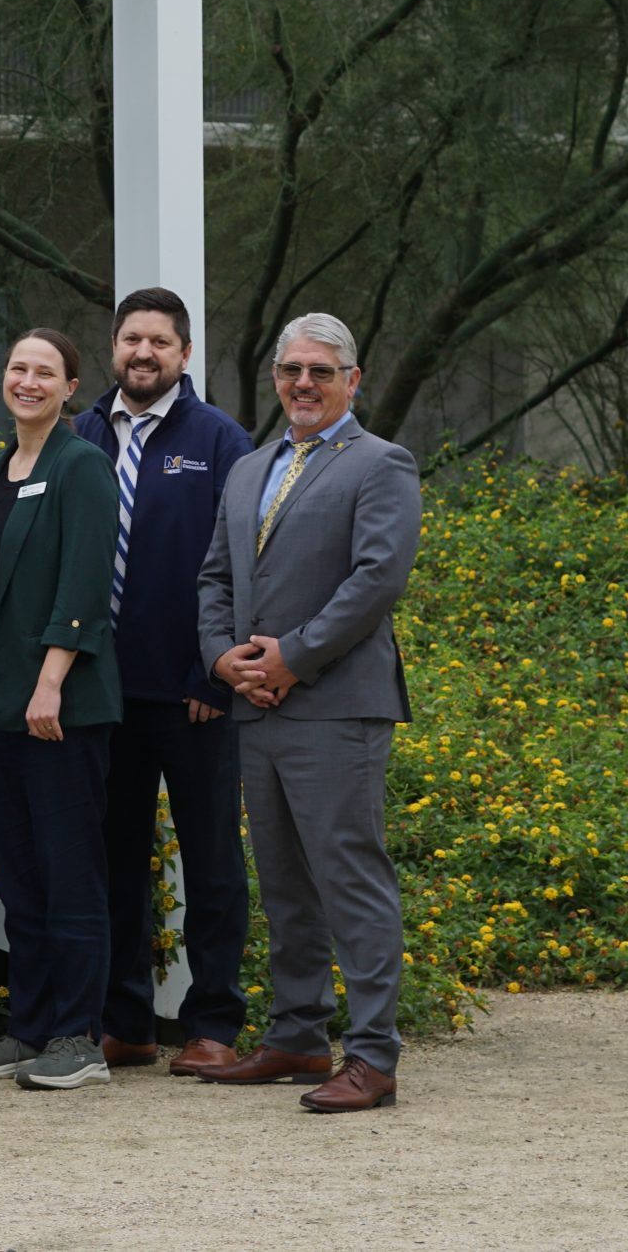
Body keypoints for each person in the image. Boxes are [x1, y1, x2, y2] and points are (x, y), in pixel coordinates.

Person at [190, 313, 420, 1114]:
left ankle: (374, 1054)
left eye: (321, 370)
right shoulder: (249, 469)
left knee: (349, 878)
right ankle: (295, 1034)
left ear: (352, 380)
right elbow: (214, 576)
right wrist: (223, 658)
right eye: (292, 369)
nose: (304, 383)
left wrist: (293, 655)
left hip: (336, 707)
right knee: (284, 881)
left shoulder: (381, 464)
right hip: (256, 705)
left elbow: (377, 579)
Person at [70, 289, 257, 1077]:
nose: (143, 353)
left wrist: (215, 674)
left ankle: (213, 1021)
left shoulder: (221, 440)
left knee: (211, 862)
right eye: (131, 338)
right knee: (113, 862)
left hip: (192, 695)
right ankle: (128, 1021)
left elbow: (245, 565)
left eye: (159, 341)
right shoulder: (82, 433)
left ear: (184, 353)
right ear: (113, 346)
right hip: (101, 696)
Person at [0, 329, 122, 1092]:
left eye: (44, 371)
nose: (27, 380)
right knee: (18, 871)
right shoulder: (2, 465)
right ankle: (29, 1026)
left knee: (68, 869)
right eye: (17, 366)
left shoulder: (81, 464)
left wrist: (50, 680)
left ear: (70, 386)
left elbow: (85, 581)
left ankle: (78, 1036)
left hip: (59, 701)